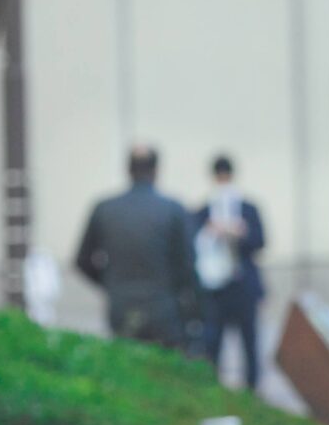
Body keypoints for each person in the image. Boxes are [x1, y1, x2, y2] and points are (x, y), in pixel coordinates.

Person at [75, 145, 201, 351]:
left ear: (128, 170)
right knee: (163, 372)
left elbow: (82, 261)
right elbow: (187, 264)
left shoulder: (105, 208)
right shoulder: (173, 209)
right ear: (156, 170)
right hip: (163, 308)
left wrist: (110, 283)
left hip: (121, 306)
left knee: (126, 369)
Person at [192, 155, 268, 390]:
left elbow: (261, 242)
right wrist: (210, 233)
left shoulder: (248, 208)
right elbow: (193, 247)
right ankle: (215, 389)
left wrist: (241, 234)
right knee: (213, 343)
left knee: (250, 344)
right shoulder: (203, 212)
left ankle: (252, 392)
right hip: (216, 290)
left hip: (243, 285)